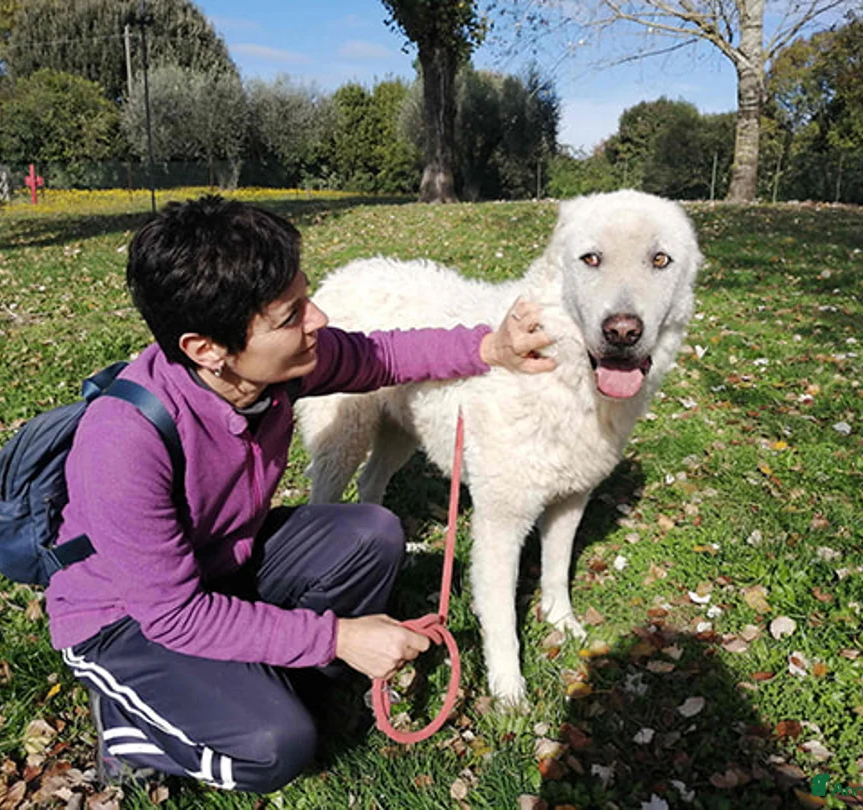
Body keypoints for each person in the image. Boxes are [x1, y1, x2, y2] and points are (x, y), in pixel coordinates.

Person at [44, 195, 555, 793]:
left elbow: (379, 355)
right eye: (290, 316)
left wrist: (490, 349)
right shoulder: (124, 443)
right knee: (275, 746)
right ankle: (130, 729)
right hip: (128, 619)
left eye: (306, 298)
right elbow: (174, 614)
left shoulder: (273, 366)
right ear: (206, 349)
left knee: (374, 533)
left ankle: (293, 673)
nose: (316, 319)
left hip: (220, 563)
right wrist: (339, 635)